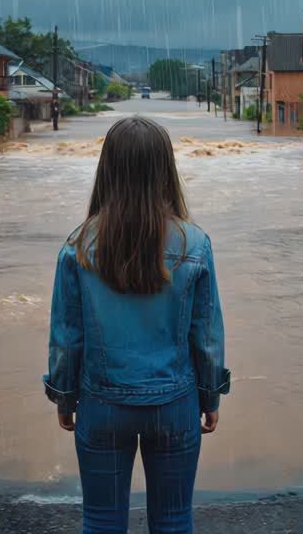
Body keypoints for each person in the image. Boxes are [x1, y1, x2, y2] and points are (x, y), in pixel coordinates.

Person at [43, 116, 229, 534]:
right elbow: (207, 335)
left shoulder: (77, 246)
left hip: (102, 404)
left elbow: (67, 338)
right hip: (174, 403)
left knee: (102, 522)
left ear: (107, 170)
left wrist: (65, 397)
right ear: (165, 170)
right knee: (174, 521)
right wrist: (211, 396)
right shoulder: (195, 245)